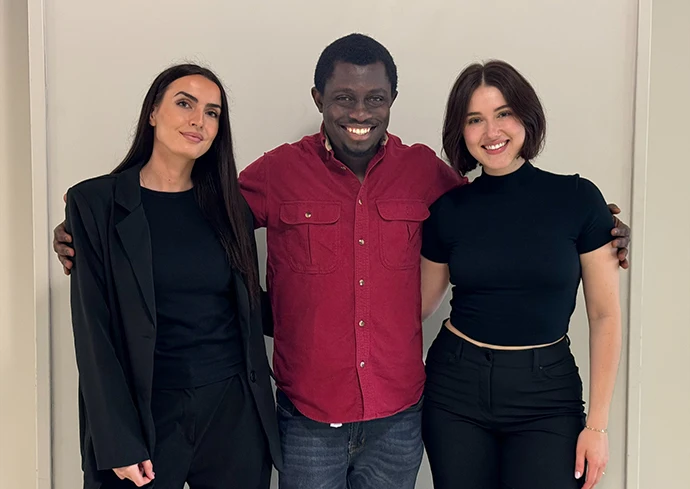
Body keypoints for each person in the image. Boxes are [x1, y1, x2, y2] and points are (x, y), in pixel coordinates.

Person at [53, 35, 630, 489]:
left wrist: (590, 226)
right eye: (344, 97)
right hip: (306, 417)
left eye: (375, 98)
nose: (360, 111)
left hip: (399, 416)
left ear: (391, 102)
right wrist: (96, 229)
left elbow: (494, 210)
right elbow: (195, 217)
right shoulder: (276, 173)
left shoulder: (427, 174)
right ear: (318, 100)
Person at [64, 64, 280, 489]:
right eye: (185, 103)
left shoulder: (230, 207)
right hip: (147, 409)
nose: (199, 120)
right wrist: (119, 442)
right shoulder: (95, 203)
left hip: (232, 409)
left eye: (213, 112)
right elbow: (94, 335)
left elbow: (251, 305)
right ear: (153, 112)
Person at [420, 60, 622, 489]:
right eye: (475, 120)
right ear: (461, 131)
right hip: (455, 388)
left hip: (547, 395)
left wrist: (598, 427)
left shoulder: (578, 200)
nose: (492, 132)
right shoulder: (448, 210)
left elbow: (605, 316)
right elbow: (417, 307)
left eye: (504, 114)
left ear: (526, 116)